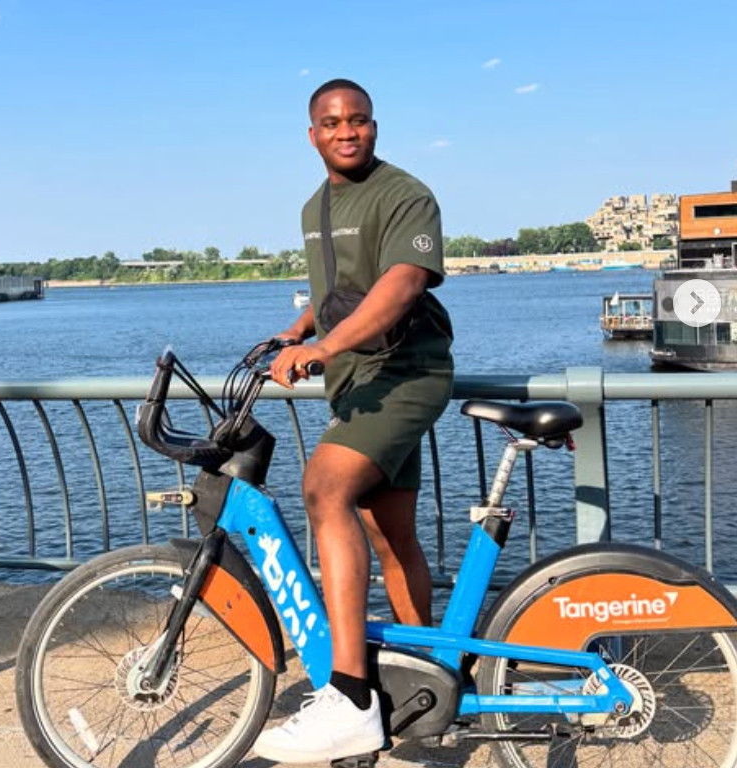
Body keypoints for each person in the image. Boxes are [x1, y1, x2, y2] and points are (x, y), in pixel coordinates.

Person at [253, 78, 454, 764]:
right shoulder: (316, 206)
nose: (347, 131)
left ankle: (352, 698)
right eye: (332, 123)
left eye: (359, 121)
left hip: (405, 372)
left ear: (375, 127)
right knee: (389, 532)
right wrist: (299, 330)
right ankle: (431, 679)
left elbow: (400, 283)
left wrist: (326, 347)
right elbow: (338, 291)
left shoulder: (404, 194)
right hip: (357, 383)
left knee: (323, 486)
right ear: (312, 134)